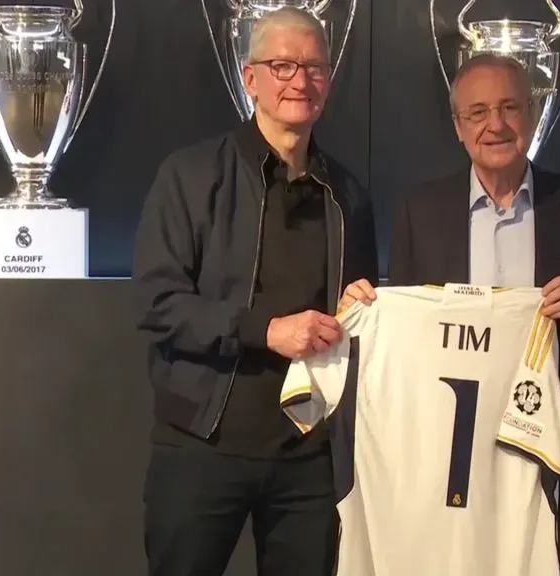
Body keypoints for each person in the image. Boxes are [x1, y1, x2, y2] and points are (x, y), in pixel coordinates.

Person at [342, 54, 560, 576]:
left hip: (543, 456)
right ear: (458, 127)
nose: (496, 125)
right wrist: (364, 311)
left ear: (532, 113)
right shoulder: (421, 210)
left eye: (509, 107)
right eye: (478, 112)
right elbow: (409, 330)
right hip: (443, 461)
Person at [131, 8, 377, 576]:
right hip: (201, 446)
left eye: (314, 67)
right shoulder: (190, 176)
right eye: (282, 65)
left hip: (310, 458)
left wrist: (361, 305)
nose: (300, 81)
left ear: (329, 81)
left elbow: (353, 316)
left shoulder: (349, 195)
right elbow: (157, 302)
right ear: (250, 78)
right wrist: (267, 330)